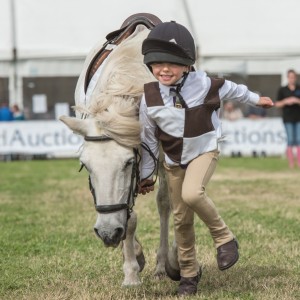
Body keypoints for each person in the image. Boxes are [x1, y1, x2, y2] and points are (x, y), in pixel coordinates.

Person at [138, 21, 274, 296]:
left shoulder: (206, 84)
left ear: (187, 64)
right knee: (181, 220)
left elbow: (234, 90)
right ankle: (189, 274)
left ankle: (224, 238)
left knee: (192, 194)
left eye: (171, 63)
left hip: (204, 150)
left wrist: (257, 99)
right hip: (174, 162)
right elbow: (149, 140)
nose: (163, 69)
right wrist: (146, 174)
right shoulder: (148, 97)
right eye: (157, 63)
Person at [276, 69, 300, 168]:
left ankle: (298, 162)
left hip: (298, 118)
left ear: (296, 78)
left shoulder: (299, 88)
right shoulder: (282, 90)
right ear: (287, 78)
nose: (292, 79)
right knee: (290, 140)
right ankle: (291, 162)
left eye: (293, 77)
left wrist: (296, 100)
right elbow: (277, 104)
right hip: (288, 119)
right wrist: (285, 101)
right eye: (290, 77)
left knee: (299, 140)